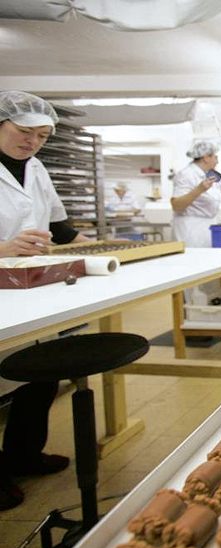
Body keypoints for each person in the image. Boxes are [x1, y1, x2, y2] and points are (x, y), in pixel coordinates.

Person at [0, 90, 86, 510]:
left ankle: (23, 455)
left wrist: (101, 246)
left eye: (42, 136)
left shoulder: (35, 169)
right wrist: (3, 248)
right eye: (24, 131)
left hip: (31, 286)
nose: (32, 142)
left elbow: (61, 227)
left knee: (41, 370)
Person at [170, 141, 221, 247]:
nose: (217, 161)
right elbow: (176, 206)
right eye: (215, 157)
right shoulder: (186, 174)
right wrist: (199, 189)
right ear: (206, 158)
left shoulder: (211, 173)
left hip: (207, 227)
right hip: (190, 229)